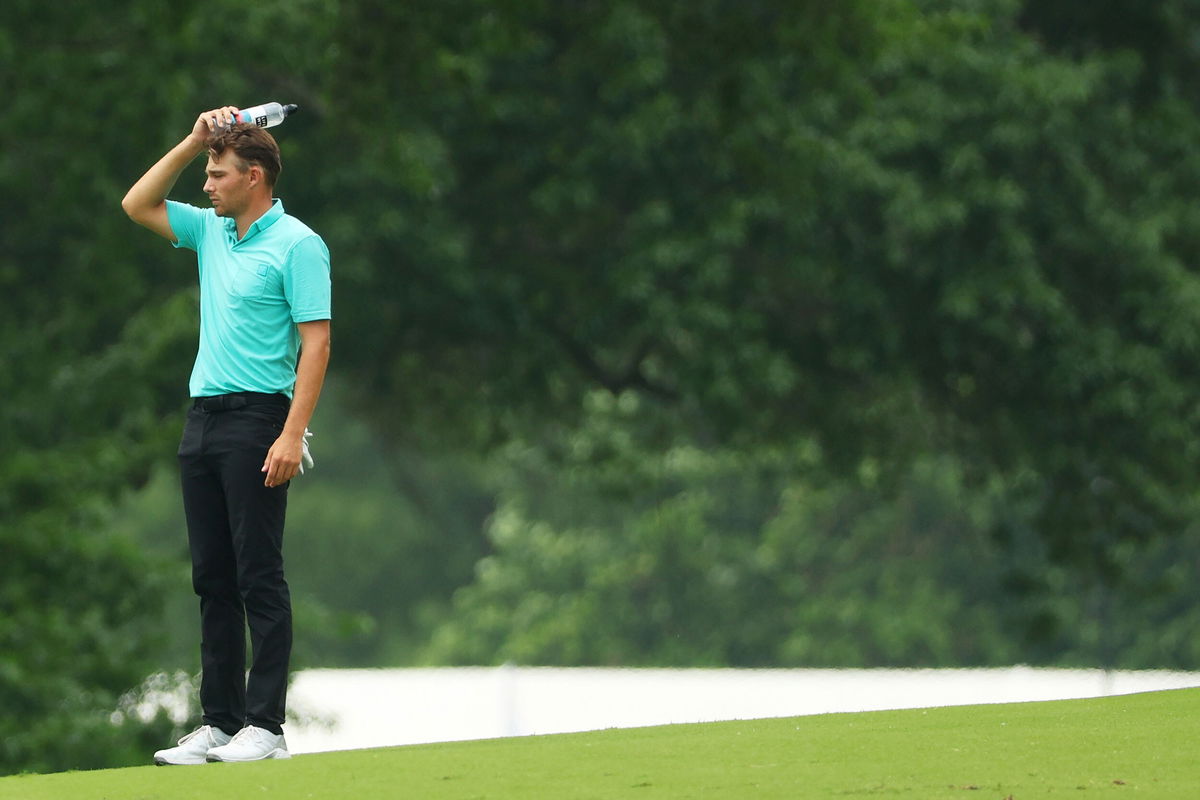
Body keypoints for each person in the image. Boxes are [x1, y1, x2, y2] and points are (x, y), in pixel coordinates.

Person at [122, 106, 331, 764]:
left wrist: (292, 436)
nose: (207, 185)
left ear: (257, 178)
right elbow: (137, 203)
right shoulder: (213, 233)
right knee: (212, 577)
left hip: (259, 421)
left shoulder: (298, 244)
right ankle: (220, 721)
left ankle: (264, 726)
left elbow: (317, 342)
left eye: (218, 174)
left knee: (258, 575)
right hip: (203, 419)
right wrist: (192, 140)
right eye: (207, 173)